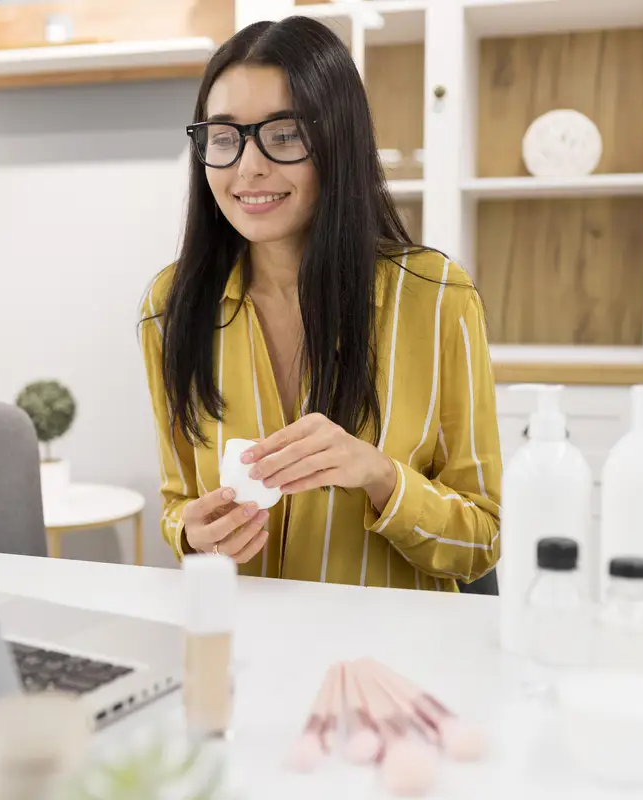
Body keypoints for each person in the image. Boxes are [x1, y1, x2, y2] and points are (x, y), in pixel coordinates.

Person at [139, 16, 502, 591]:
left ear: (338, 141)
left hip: (389, 659)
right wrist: (192, 533)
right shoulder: (171, 306)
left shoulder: (436, 298)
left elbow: (481, 541)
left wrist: (383, 478)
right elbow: (178, 502)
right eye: (225, 137)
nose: (248, 167)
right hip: (247, 648)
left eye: (284, 134)